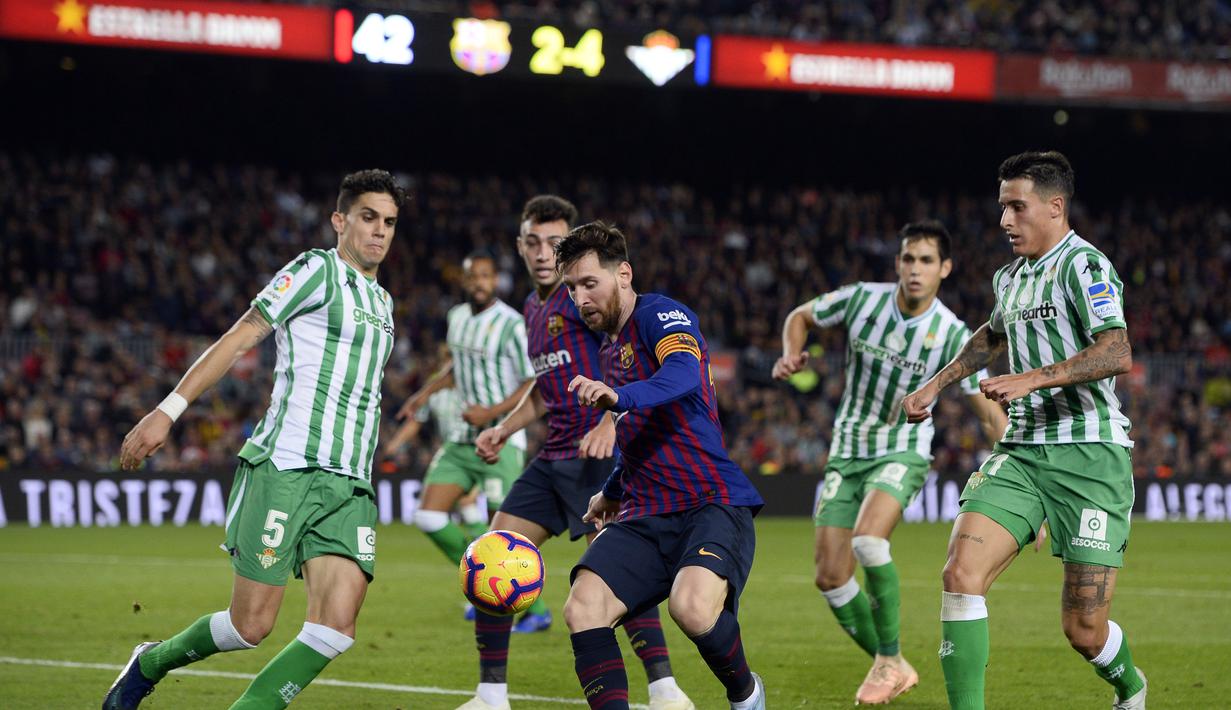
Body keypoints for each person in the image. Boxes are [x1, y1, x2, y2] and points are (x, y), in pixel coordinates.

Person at [103, 169, 407, 709]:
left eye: (388, 221)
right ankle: (150, 660)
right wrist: (167, 411)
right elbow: (242, 334)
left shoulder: (383, 305)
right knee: (251, 626)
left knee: (335, 629)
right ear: (340, 221)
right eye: (368, 217)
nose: (379, 231)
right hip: (286, 467)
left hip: (349, 484)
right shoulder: (315, 270)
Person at [902, 151, 1147, 710]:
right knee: (960, 576)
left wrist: (1031, 380)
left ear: (1056, 206)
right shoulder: (1010, 276)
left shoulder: (1084, 266)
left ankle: (1131, 689)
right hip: (1022, 452)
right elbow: (991, 336)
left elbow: (1117, 350)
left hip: (1089, 454)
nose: (1005, 220)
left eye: (1017, 207)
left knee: (1084, 630)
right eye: (1002, 208)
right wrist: (934, 386)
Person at [465, 196, 694, 710]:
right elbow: (547, 387)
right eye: (533, 241)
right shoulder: (533, 306)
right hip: (556, 454)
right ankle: (490, 695)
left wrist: (613, 420)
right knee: (493, 552)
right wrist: (504, 428)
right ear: (520, 247)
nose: (543, 252)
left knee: (614, 569)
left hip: (603, 454)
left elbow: (627, 359)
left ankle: (664, 689)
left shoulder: (587, 297)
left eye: (553, 241)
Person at [773, 221, 1008, 704]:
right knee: (829, 576)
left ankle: (886, 658)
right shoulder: (863, 300)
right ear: (897, 263)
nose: (915, 269)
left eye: (926, 261)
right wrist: (792, 352)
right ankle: (895, 664)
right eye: (908, 259)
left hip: (903, 447)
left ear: (944, 268)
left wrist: (1014, 469)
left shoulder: (951, 333)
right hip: (848, 448)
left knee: (867, 540)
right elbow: (801, 314)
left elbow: (987, 412)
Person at [558, 221, 766, 710]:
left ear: (623, 274)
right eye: (571, 288)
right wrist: (612, 488)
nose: (580, 298)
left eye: (590, 283)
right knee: (584, 607)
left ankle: (746, 694)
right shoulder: (609, 349)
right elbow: (642, 434)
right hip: (646, 510)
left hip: (710, 501)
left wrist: (618, 396)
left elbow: (682, 373)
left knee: (691, 609)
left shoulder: (661, 313)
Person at [393, 253, 536, 604]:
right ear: (464, 281)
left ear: (495, 281)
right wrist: (422, 394)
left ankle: (536, 609)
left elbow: (532, 381)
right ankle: (480, 578)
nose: (479, 283)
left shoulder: (512, 323)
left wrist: (493, 411)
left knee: (503, 532)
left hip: (502, 437)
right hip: (462, 438)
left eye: (486, 276)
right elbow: (456, 369)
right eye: (473, 277)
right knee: (427, 516)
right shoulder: (456, 317)